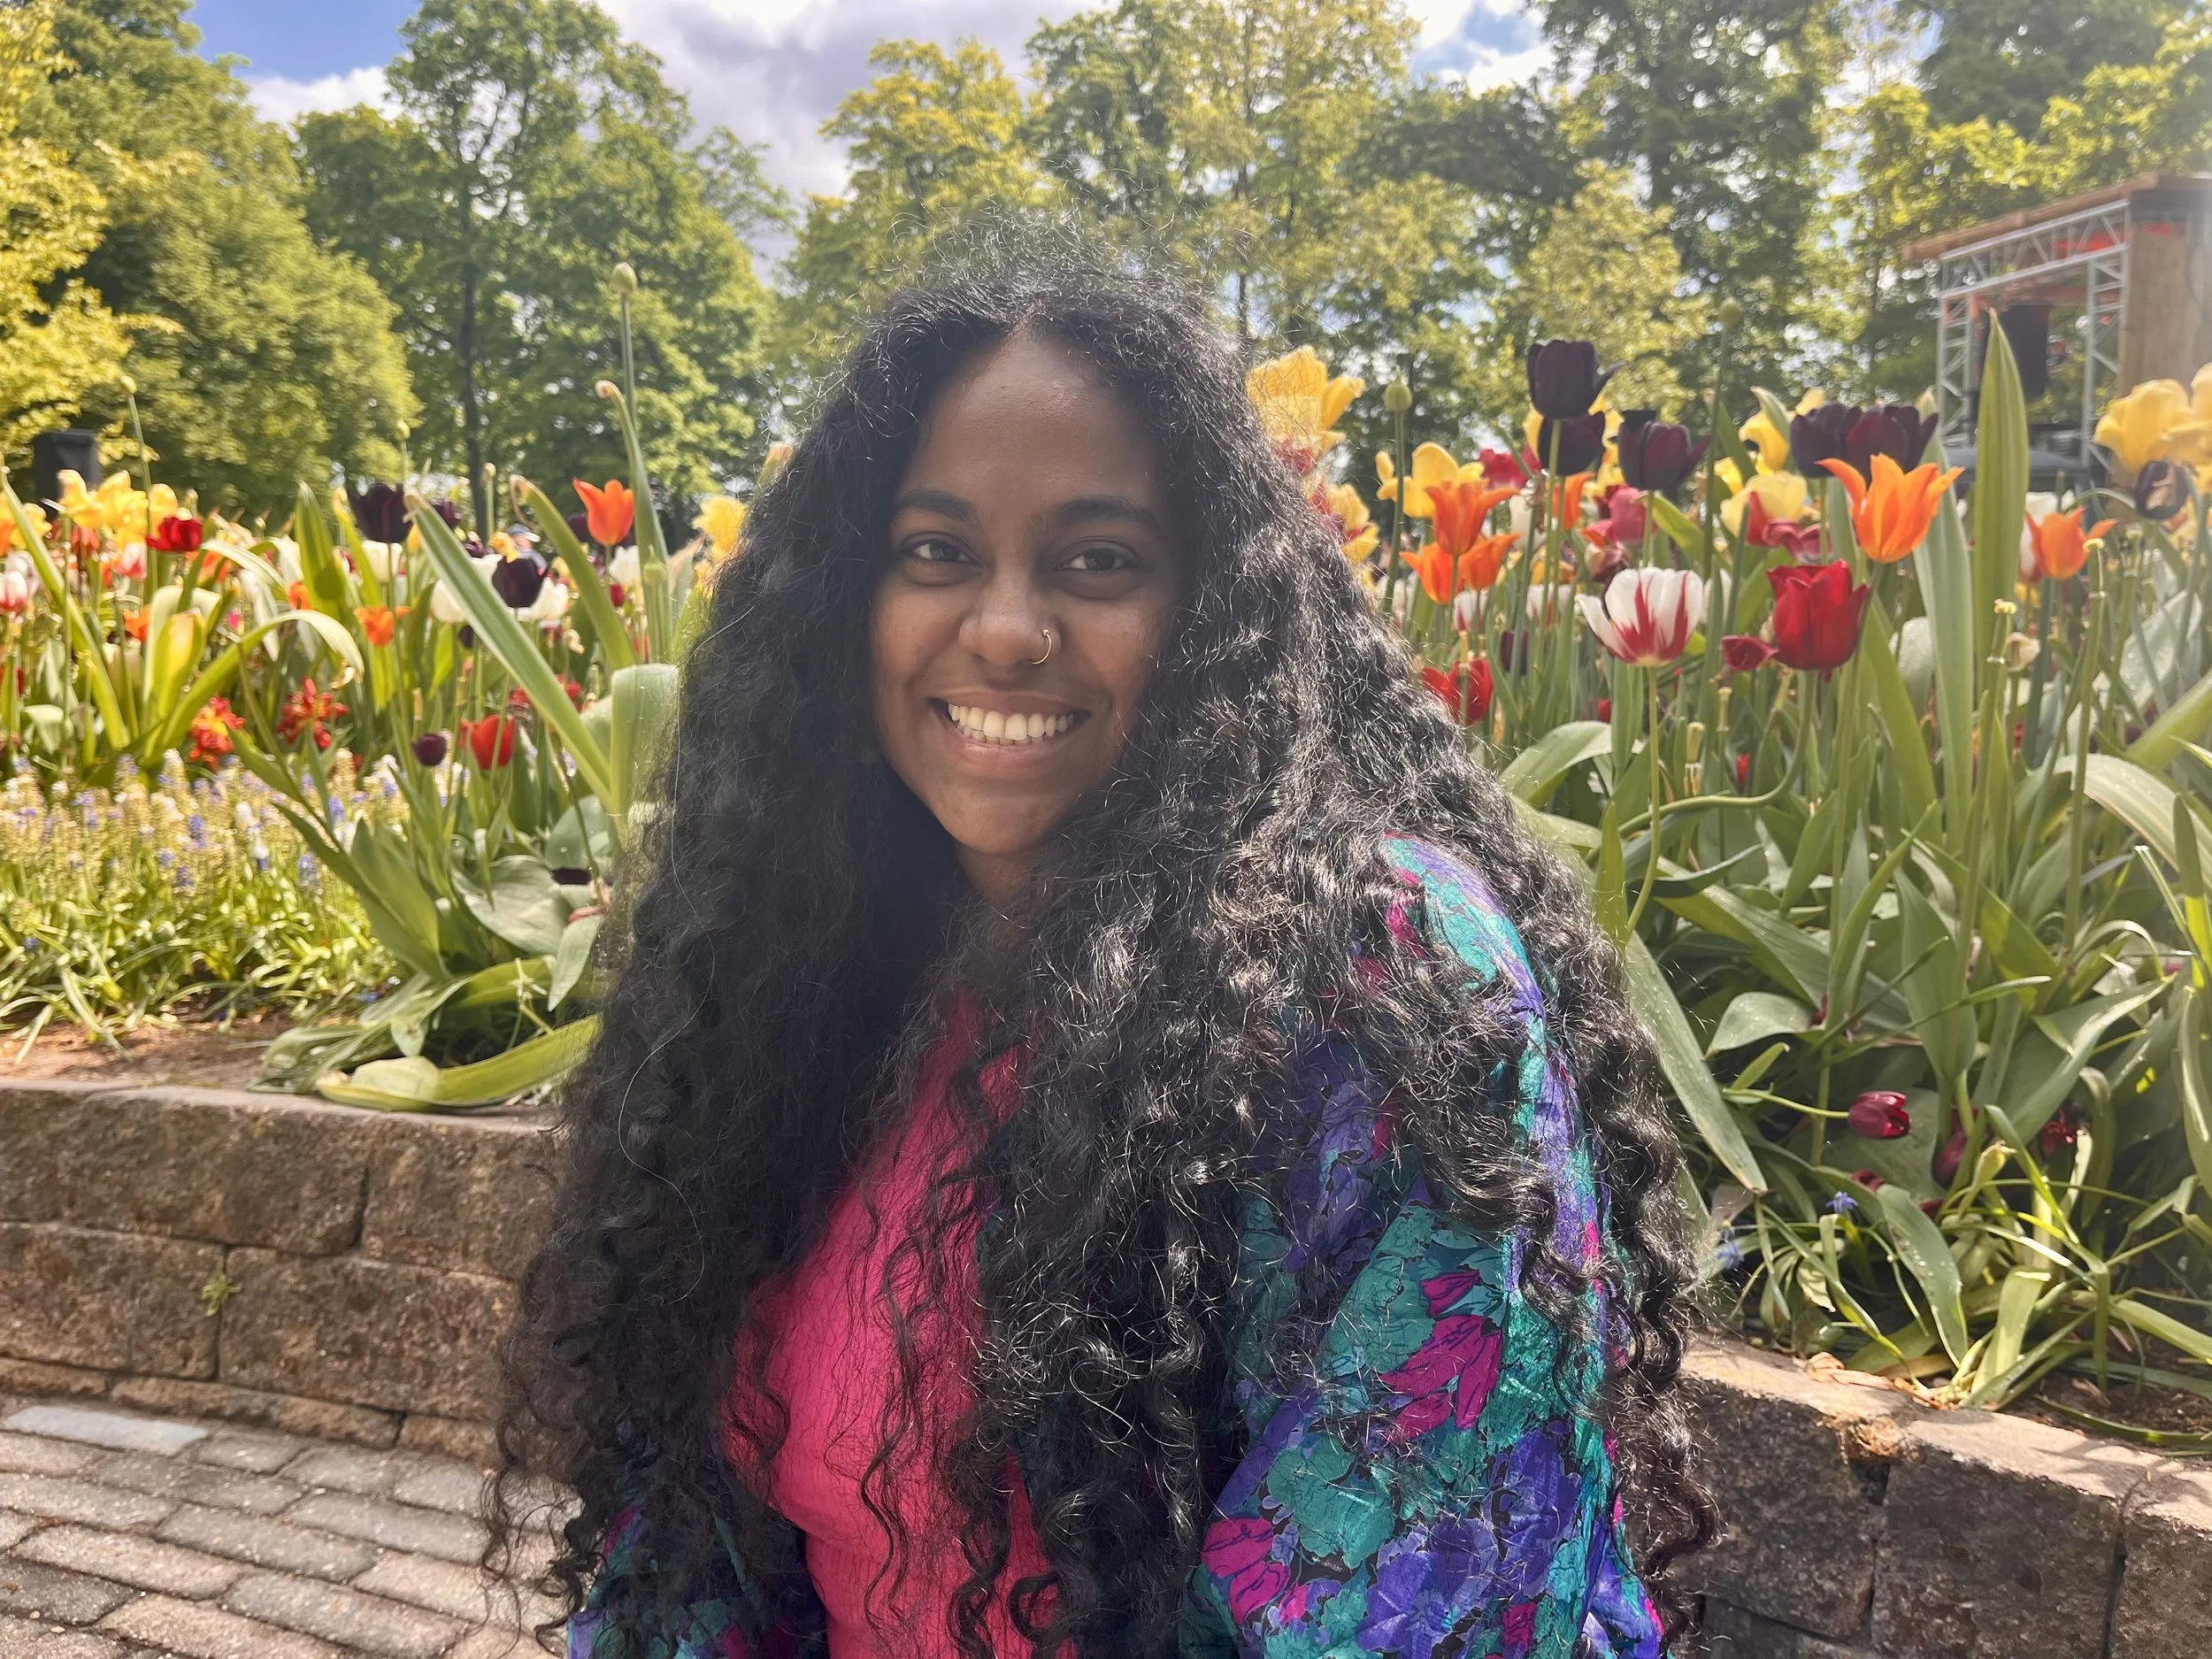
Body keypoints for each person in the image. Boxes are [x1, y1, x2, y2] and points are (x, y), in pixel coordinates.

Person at [491, 242, 1711, 1659]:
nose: (1006, 629)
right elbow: (685, 1556)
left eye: (1097, 559)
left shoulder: (1378, 974)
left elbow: (1413, 1587)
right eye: (935, 550)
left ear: (1213, 608)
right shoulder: (800, 978)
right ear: (842, 603)